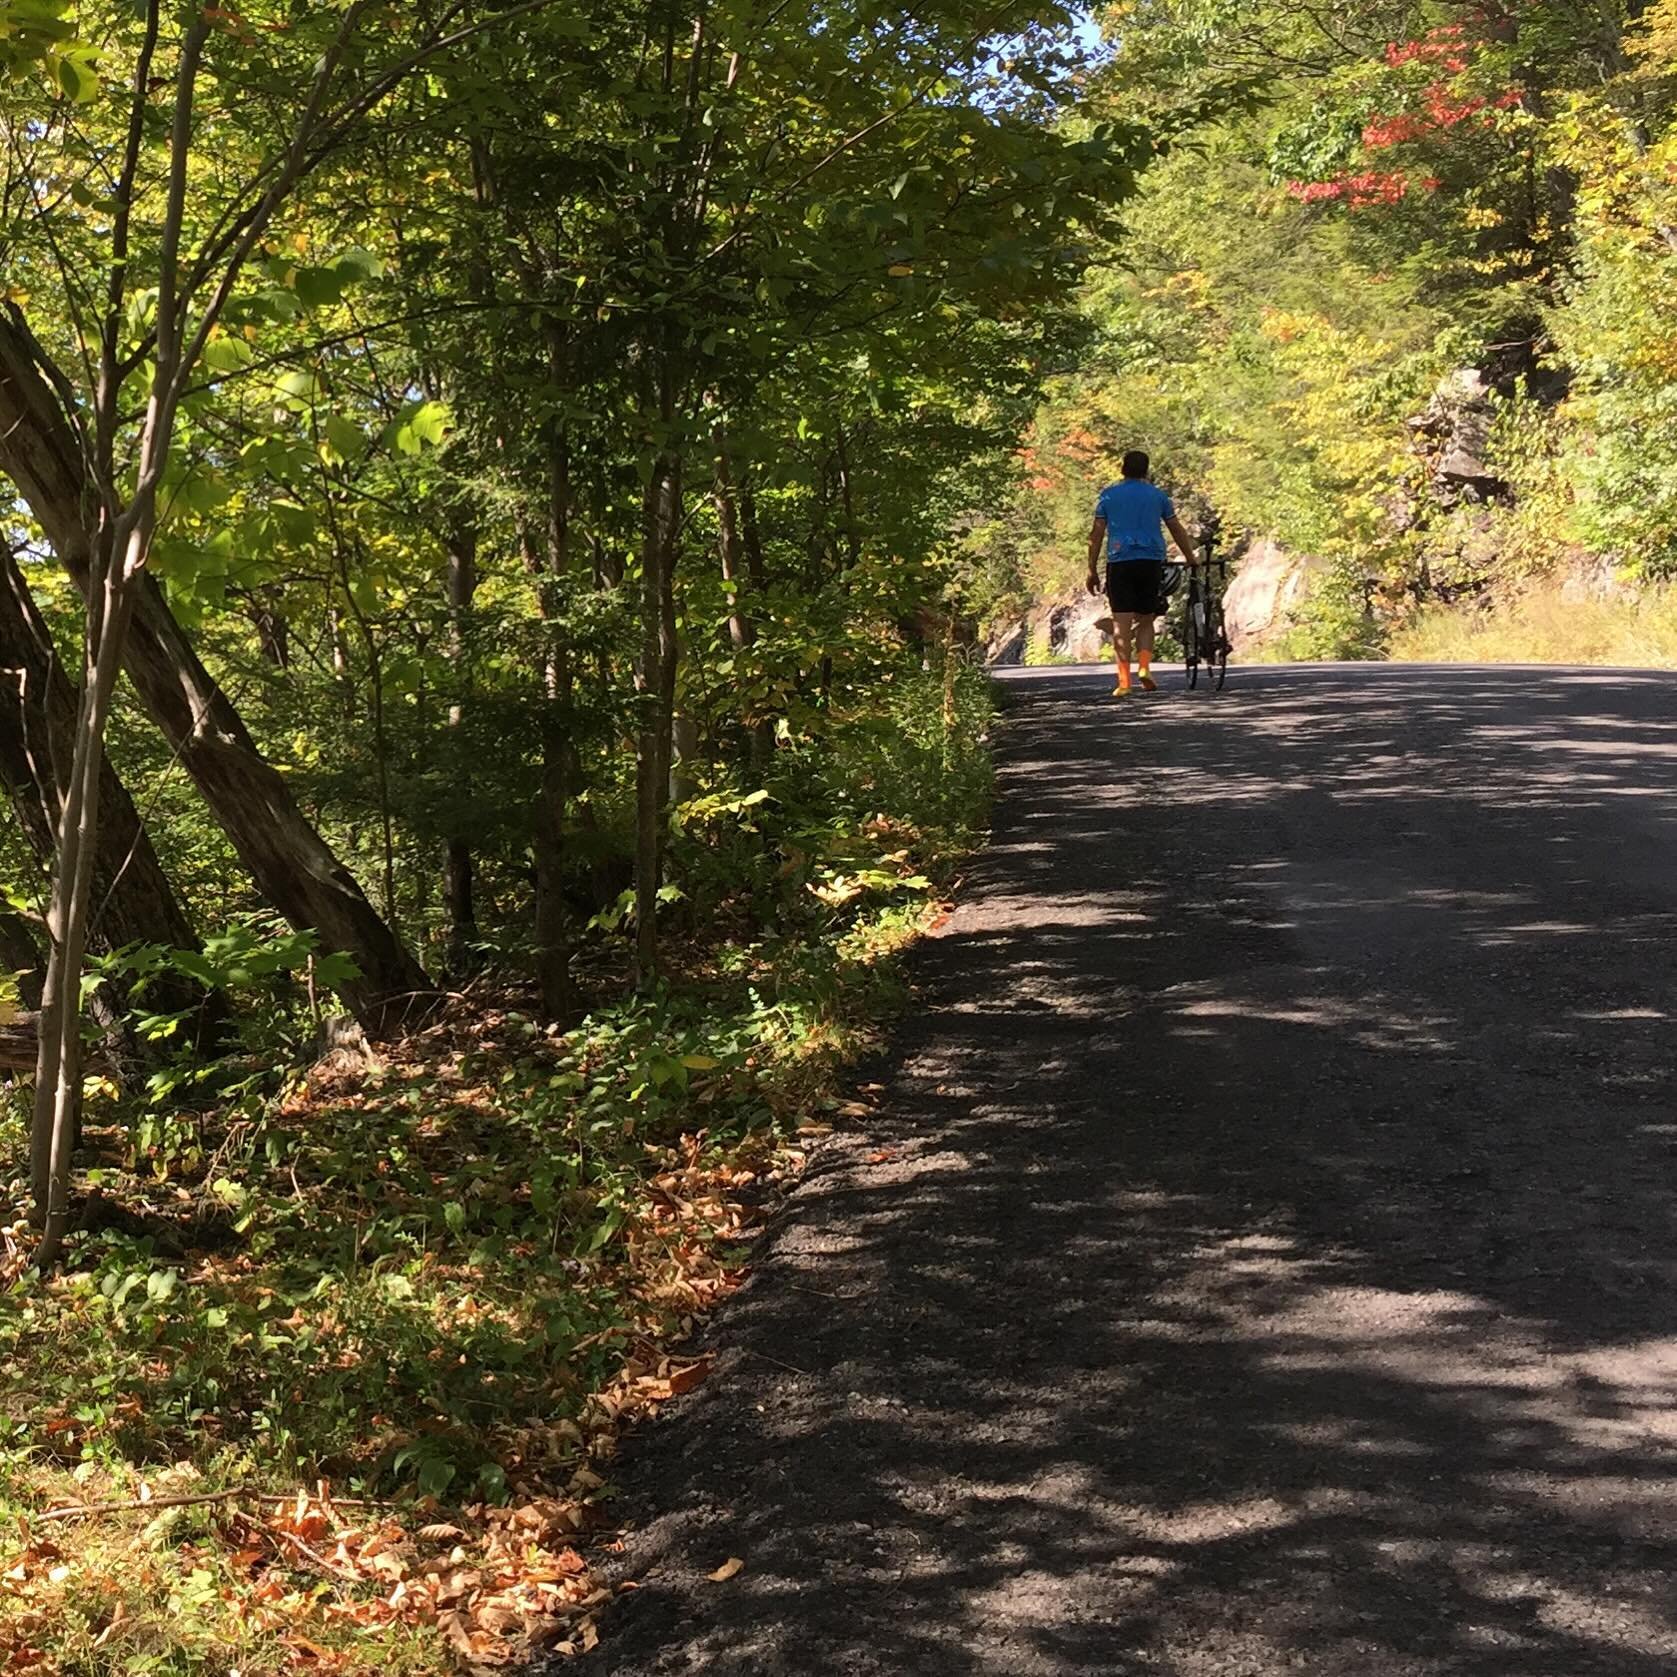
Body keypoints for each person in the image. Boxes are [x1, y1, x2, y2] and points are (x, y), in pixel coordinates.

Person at [1086, 450, 1199, 697]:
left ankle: (1124, 682)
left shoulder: (1108, 496)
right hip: (1150, 561)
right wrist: (1190, 558)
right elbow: (1176, 528)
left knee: (1121, 624)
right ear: (1146, 471)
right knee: (1146, 619)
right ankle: (1145, 669)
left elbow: (1096, 535)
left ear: (1122, 469)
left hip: (1120, 561)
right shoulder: (1158, 497)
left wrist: (1092, 569)